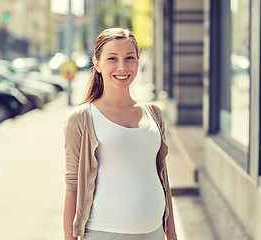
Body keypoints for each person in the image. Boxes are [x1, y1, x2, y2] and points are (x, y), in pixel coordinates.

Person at [63, 28, 177, 240]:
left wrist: (172, 234)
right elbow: (72, 187)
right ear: (97, 63)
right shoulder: (81, 118)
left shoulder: (154, 114)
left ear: (138, 61)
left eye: (129, 58)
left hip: (154, 232)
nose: (122, 67)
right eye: (112, 58)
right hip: (104, 233)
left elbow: (162, 177)